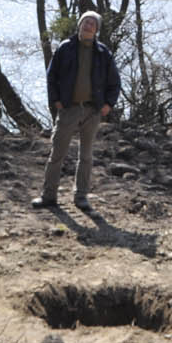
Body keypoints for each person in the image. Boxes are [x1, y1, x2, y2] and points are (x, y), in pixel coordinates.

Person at [31, 11, 121, 213]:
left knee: (86, 156)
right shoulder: (66, 48)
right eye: (85, 22)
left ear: (96, 30)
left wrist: (108, 104)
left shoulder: (103, 53)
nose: (88, 26)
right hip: (68, 108)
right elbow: (52, 76)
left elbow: (114, 82)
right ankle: (48, 196)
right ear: (79, 25)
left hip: (92, 110)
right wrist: (56, 101)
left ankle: (81, 197)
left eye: (92, 24)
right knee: (57, 154)